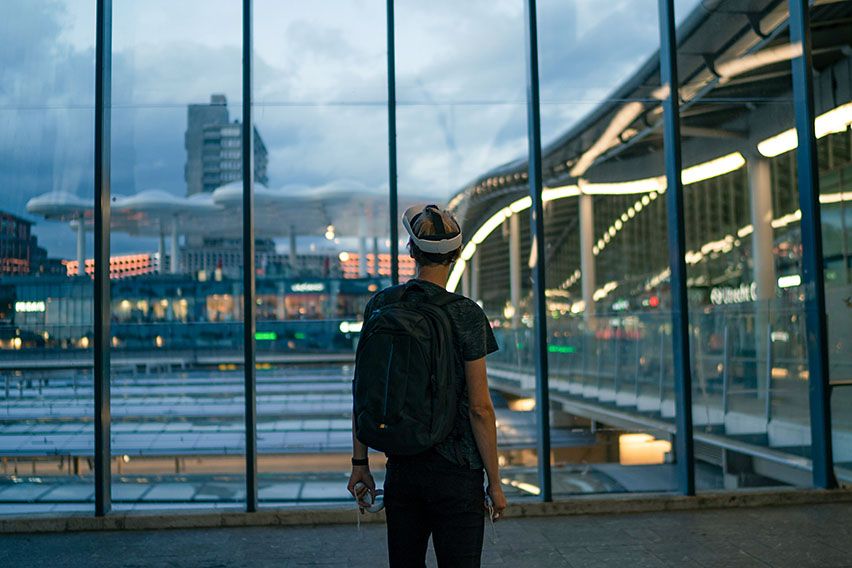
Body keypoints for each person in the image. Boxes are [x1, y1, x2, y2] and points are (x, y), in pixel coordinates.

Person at [347, 204, 507, 567]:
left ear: (410, 251)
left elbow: (363, 390)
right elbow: (480, 408)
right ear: (457, 255)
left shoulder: (381, 304)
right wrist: (494, 484)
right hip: (458, 472)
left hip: (403, 465)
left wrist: (360, 463)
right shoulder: (466, 313)